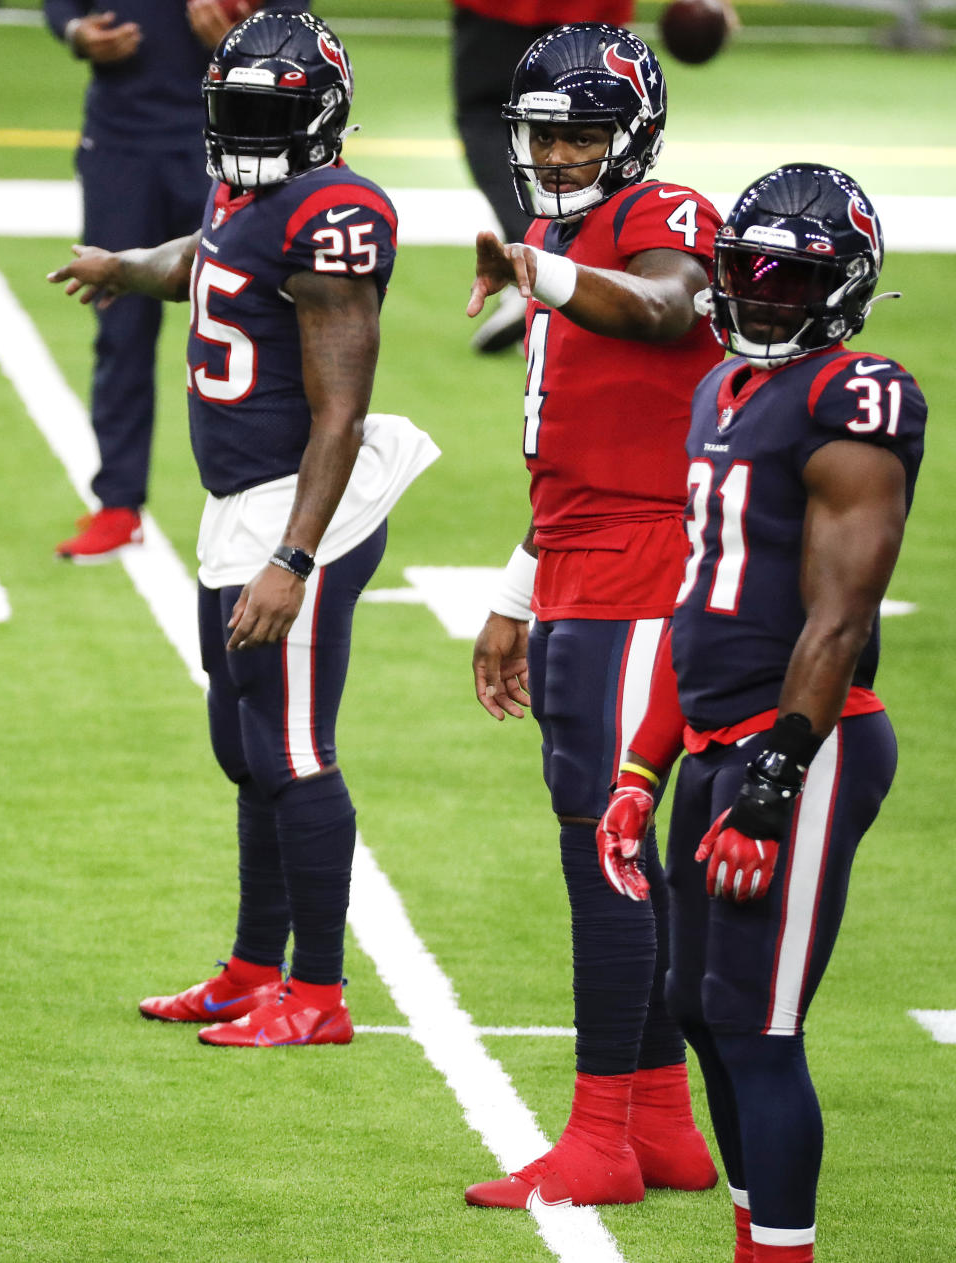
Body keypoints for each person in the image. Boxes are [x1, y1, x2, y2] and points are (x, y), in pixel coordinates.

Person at [48, 10, 438, 1048]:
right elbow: (214, 255)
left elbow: (342, 412)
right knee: (246, 743)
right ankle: (251, 967)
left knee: (296, 748)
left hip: (300, 505)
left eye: (269, 111)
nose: (248, 129)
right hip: (243, 502)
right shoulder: (250, 188)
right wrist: (131, 265)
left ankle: (317, 995)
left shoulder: (337, 213)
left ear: (320, 115)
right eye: (234, 109)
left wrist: (293, 559)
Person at [596, 164, 927, 1261]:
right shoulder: (722, 388)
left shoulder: (858, 395)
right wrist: (644, 769)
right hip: (716, 737)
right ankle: (757, 1232)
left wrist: (774, 789)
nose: (766, 297)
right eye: (748, 272)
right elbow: (704, 607)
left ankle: (778, 1253)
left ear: (845, 287)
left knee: (758, 1024)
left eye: (795, 278)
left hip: (806, 740)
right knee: (700, 1009)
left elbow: (839, 619)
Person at [464, 22, 724, 1208]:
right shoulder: (551, 235)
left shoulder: (667, 215)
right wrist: (516, 595)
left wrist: (553, 275)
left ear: (633, 137)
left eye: (580, 133)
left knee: (607, 850)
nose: (559, 155)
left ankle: (601, 1139)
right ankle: (662, 1124)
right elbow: (575, 444)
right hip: (577, 558)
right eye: (542, 134)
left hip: (642, 567)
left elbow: (667, 311)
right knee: (609, 850)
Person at [45, 0, 305, 562]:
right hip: (121, 142)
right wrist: (75, 32)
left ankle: (283, 502)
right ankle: (118, 505)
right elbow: (60, 5)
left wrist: (248, 41)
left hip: (231, 140)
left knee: (256, 322)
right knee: (120, 327)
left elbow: (296, 24)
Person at [451, 0, 636, 353]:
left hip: (501, 11)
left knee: (485, 118)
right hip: (591, 10)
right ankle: (591, 276)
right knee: (603, 127)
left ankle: (538, 263)